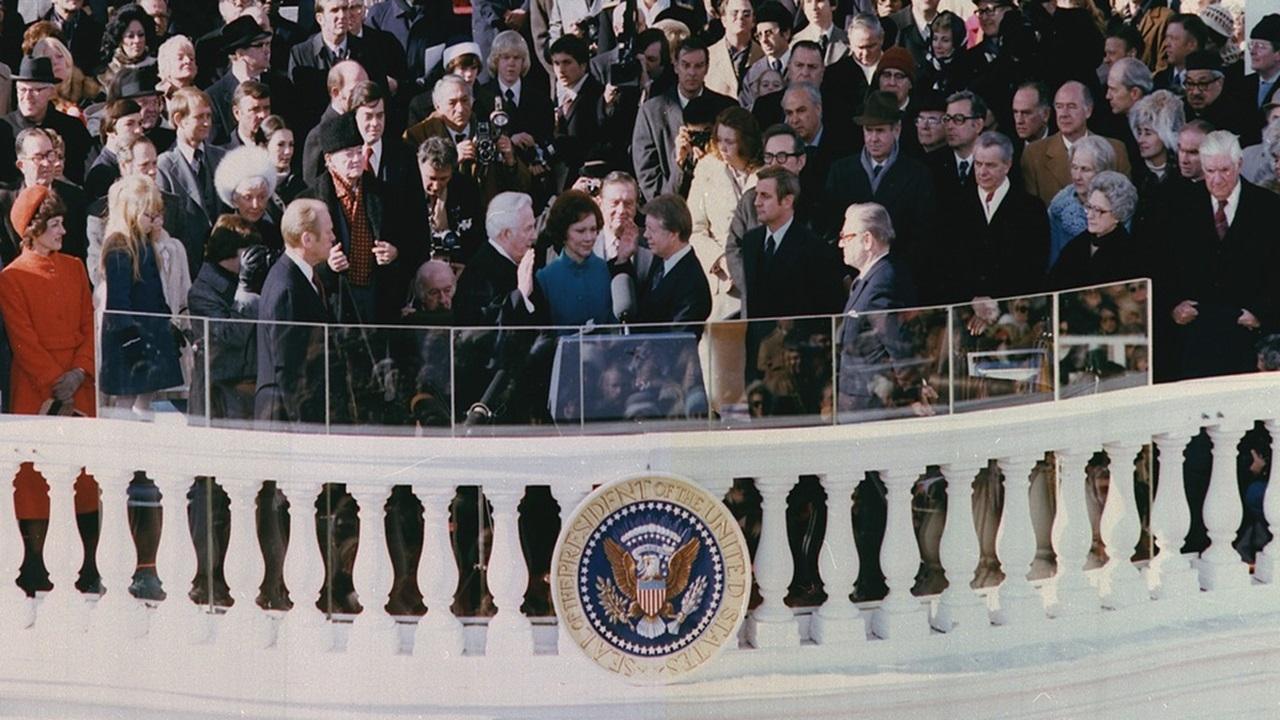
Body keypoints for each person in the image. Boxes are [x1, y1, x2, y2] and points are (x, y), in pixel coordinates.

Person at [1165, 130, 1280, 379]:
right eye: (1209, 171)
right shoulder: (1180, 207)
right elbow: (1164, 264)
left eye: (1224, 170)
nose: (1217, 180)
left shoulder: (1270, 209)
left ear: (1239, 164)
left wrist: (1261, 314)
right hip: (1194, 338)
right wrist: (1173, 305)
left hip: (1247, 337)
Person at [824, 90, 937, 301]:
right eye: (868, 130)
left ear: (897, 130)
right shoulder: (841, 171)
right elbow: (831, 229)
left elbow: (923, 234)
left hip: (899, 283)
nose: (873, 138)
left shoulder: (917, 174)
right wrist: (845, 276)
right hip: (850, 281)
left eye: (880, 131)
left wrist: (891, 275)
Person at [97, 175, 184, 417]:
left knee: (147, 396)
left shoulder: (144, 244)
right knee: (127, 398)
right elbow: (118, 302)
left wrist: (168, 323)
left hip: (151, 332)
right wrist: (129, 338)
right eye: (149, 215)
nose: (155, 221)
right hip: (130, 337)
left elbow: (155, 291)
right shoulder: (119, 247)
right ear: (130, 213)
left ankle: (144, 436)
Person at [834, 201, 922, 415]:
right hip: (858, 399)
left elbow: (897, 347)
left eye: (846, 237)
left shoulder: (883, 281)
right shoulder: (870, 277)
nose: (840, 244)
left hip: (871, 406)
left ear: (867, 240)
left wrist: (913, 396)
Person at [254, 197, 334, 427]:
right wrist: (305, 429)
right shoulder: (286, 288)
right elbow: (287, 368)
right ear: (307, 239)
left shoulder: (300, 277)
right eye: (328, 232)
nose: (333, 238)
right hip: (285, 419)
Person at [946, 131, 1050, 303]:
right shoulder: (955, 207)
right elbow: (948, 263)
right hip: (965, 309)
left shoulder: (1031, 209)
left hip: (1013, 309)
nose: (982, 172)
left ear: (1007, 165)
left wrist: (996, 303)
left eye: (990, 165)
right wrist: (972, 301)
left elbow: (1033, 267)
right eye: (978, 164)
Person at [631, 38, 737, 202]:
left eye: (698, 66)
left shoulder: (727, 108)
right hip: (669, 204)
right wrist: (678, 165)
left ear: (707, 68)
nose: (692, 73)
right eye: (686, 65)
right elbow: (647, 174)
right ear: (675, 67)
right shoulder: (651, 112)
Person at [740, 165, 843, 321]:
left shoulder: (815, 248)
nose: (756, 202)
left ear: (787, 201)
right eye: (757, 195)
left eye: (765, 196)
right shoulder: (750, 241)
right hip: (759, 342)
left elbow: (825, 309)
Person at [187, 213, 258, 423]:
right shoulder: (202, 292)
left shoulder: (244, 279)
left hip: (248, 383)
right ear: (231, 252)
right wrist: (245, 290)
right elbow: (231, 336)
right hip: (219, 392)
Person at [1020, 81, 1132, 206]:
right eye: (1059, 106)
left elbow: (1124, 207)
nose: (1064, 114)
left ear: (1088, 111)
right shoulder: (1034, 154)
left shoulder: (1116, 150)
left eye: (1071, 106)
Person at [155, 87, 226, 259]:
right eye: (200, 117)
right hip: (185, 259)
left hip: (221, 257)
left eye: (208, 116)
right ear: (179, 119)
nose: (207, 123)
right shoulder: (164, 166)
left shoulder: (221, 157)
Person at [1047, 171, 1144, 290]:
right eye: (1089, 207)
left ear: (1118, 215)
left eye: (1099, 210)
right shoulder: (1076, 245)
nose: (1090, 215)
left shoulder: (1130, 253)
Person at [632, 192, 711, 336]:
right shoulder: (659, 263)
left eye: (652, 230)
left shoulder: (691, 283)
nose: (645, 235)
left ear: (673, 234)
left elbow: (678, 339)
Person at [7, 56, 91, 184]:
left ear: (51, 92)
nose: (27, 96)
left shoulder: (72, 128)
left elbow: (86, 176)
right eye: (22, 90)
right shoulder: (4, 129)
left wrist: (62, 177)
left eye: (36, 90)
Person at [534, 189, 611, 327]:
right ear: (563, 232)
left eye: (593, 230)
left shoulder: (607, 270)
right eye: (580, 231)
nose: (589, 238)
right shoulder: (545, 278)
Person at [1047, 136, 1118, 270]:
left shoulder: (1121, 204)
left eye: (1085, 169)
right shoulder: (1058, 209)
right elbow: (1052, 264)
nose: (1077, 176)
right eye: (1074, 167)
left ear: (1103, 171)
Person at [214, 145, 283, 264]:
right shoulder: (224, 234)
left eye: (262, 197)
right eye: (248, 197)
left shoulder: (273, 233)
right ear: (234, 200)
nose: (256, 205)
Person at [96, 3, 157, 93]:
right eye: (130, 36)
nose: (137, 40)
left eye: (141, 35)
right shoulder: (108, 74)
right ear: (120, 39)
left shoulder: (157, 68)